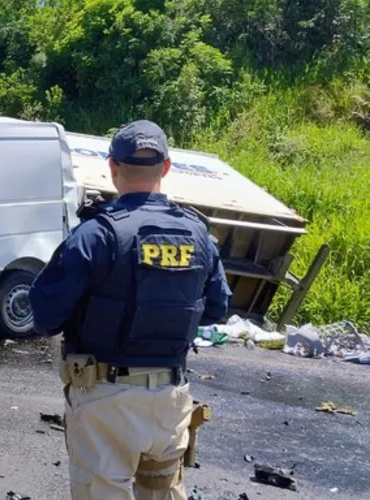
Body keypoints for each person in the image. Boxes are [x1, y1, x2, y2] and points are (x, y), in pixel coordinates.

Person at [28, 120, 232, 500]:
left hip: (107, 398)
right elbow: (217, 308)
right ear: (166, 168)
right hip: (171, 400)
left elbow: (44, 315)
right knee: (162, 493)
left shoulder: (96, 234)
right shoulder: (198, 234)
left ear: (112, 166)